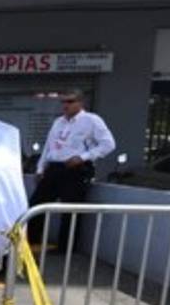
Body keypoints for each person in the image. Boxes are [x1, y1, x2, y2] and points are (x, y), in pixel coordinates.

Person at [29, 90, 116, 252]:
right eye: (63, 102)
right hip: (55, 167)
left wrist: (83, 157)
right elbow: (49, 146)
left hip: (76, 169)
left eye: (70, 101)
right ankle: (31, 240)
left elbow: (108, 144)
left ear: (80, 103)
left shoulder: (91, 120)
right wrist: (41, 167)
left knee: (70, 209)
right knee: (36, 203)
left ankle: (66, 248)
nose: (65, 105)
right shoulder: (58, 122)